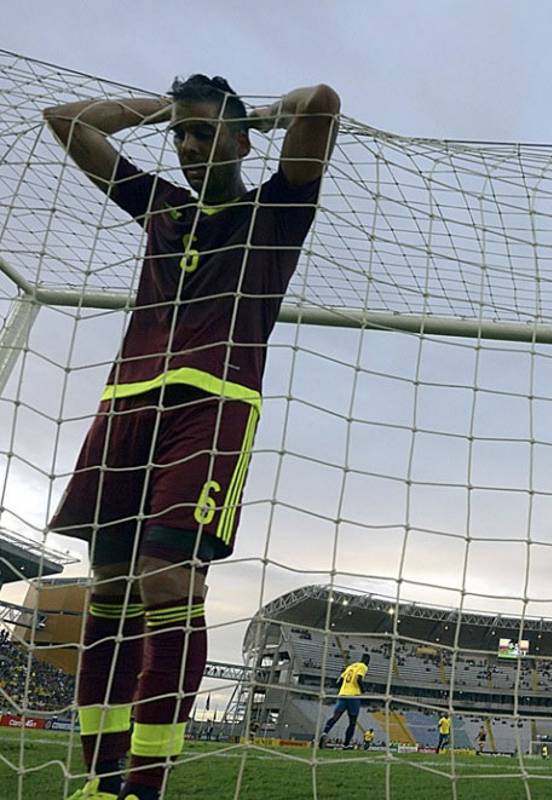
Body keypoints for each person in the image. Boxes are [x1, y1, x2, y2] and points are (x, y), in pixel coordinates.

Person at [43, 74, 339, 800]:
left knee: (168, 580)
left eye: (203, 132)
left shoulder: (275, 210)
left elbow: (321, 103)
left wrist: (259, 118)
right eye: (180, 133)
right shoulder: (160, 206)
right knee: (109, 587)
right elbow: (67, 120)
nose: (185, 144)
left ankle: (146, 785)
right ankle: (101, 779)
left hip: (212, 407)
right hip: (123, 407)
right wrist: (164, 110)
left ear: (239, 141)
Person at [320, 654, 370, 749]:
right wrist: (363, 690)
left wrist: (343, 689)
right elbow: (359, 678)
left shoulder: (350, 666)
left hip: (342, 695)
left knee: (335, 717)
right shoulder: (363, 667)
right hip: (353, 696)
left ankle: (324, 732)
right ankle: (346, 744)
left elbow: (339, 682)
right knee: (352, 721)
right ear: (367, 661)